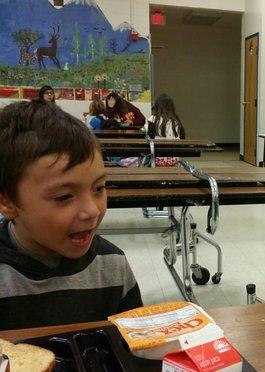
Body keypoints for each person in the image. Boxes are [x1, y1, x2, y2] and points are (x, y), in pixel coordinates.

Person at [0, 100, 143, 330]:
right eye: (64, 197)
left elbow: (134, 349)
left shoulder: (111, 266)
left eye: (98, 188)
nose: (92, 211)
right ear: (7, 201)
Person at [146, 93, 186, 167]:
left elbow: (149, 138)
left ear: (157, 106)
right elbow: (182, 138)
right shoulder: (176, 121)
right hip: (174, 158)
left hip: (158, 159)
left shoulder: (152, 119)